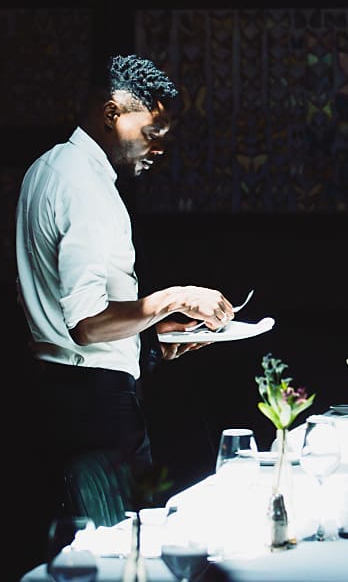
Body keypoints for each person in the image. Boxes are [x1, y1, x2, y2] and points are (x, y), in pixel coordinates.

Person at [15, 53, 234, 510]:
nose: (158, 148)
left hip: (60, 393)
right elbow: (87, 324)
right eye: (151, 132)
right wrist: (175, 298)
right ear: (111, 112)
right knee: (128, 548)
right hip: (95, 405)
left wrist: (152, 336)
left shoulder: (48, 168)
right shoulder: (84, 185)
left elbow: (67, 315)